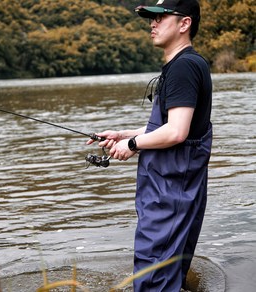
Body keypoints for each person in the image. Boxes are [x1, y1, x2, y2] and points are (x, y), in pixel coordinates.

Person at [87, 0, 212, 291]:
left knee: (153, 274)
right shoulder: (183, 65)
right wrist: (122, 134)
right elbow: (169, 127)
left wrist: (133, 144)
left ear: (185, 24)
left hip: (170, 191)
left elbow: (177, 132)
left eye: (160, 17)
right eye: (150, 19)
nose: (152, 24)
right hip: (172, 188)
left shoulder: (183, 67)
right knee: (165, 271)